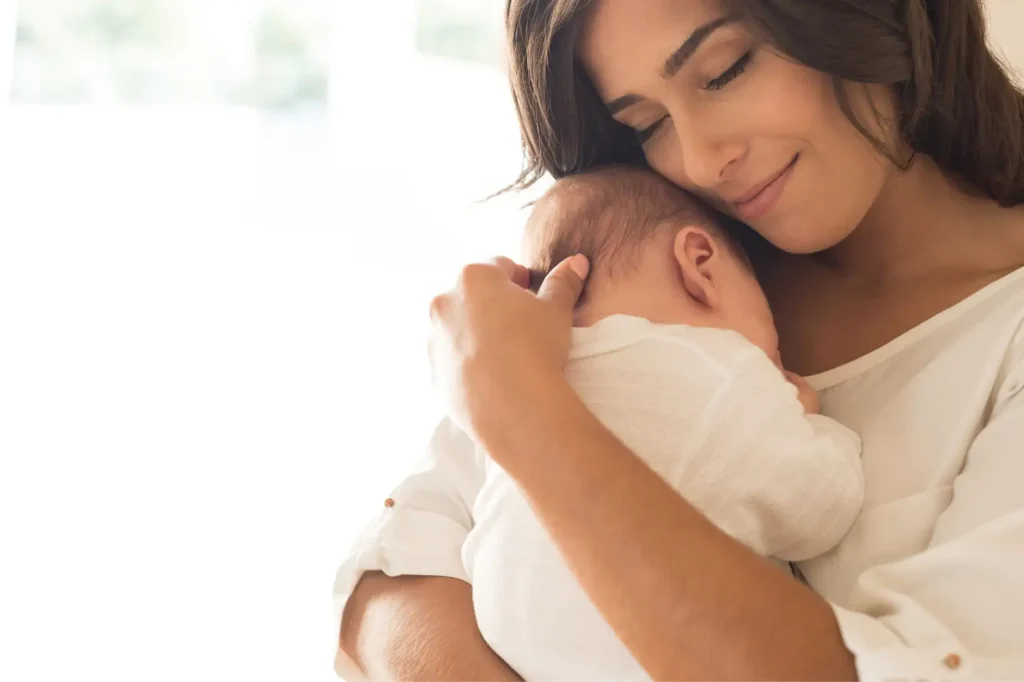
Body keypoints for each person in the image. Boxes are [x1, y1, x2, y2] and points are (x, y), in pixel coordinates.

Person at [337, 0, 1024, 679]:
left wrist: (522, 413)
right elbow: (388, 586)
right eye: (648, 122)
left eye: (724, 71)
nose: (700, 161)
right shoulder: (662, 274)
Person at [462, 166, 864, 680]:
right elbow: (821, 511)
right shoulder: (717, 371)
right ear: (700, 264)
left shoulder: (525, 377)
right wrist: (811, 421)